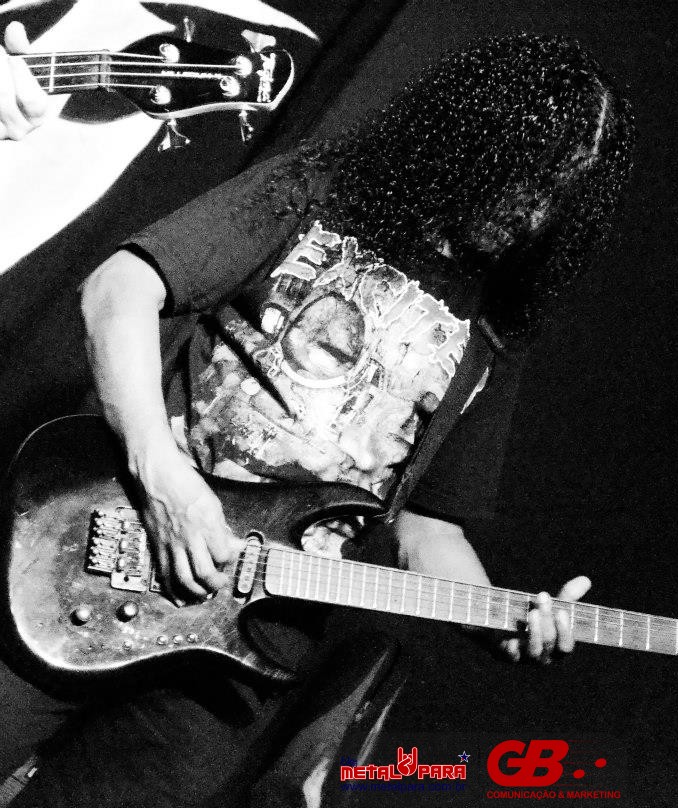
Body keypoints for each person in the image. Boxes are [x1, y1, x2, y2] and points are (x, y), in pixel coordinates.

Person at [0, 24, 635, 808]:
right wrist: (162, 476)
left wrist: (500, 619)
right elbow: (118, 290)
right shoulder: (320, 188)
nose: (531, 212)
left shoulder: (495, 328)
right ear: (477, 138)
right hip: (96, 550)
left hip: (241, 655)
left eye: (556, 196)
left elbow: (429, 528)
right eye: (526, 176)